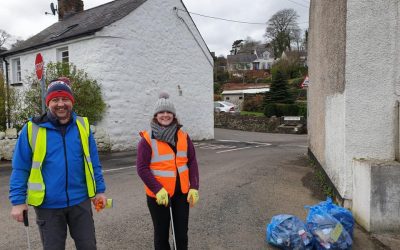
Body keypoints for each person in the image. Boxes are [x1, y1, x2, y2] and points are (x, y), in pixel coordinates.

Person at [9, 77, 107, 250]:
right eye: (55, 100)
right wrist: (18, 201)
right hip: (48, 205)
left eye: (65, 99)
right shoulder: (32, 129)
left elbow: (93, 162)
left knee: (88, 246)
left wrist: (99, 191)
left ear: (72, 101)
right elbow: (20, 168)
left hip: (80, 201)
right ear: (48, 103)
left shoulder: (83, 126)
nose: (60, 104)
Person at [137, 92, 200, 250]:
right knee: (161, 236)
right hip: (159, 197)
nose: (165, 115)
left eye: (169, 112)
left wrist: (194, 187)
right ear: (155, 115)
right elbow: (142, 168)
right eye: (161, 112)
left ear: (174, 115)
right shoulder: (147, 139)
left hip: (181, 194)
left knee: (181, 236)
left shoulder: (184, 137)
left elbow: (192, 162)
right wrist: (158, 190)